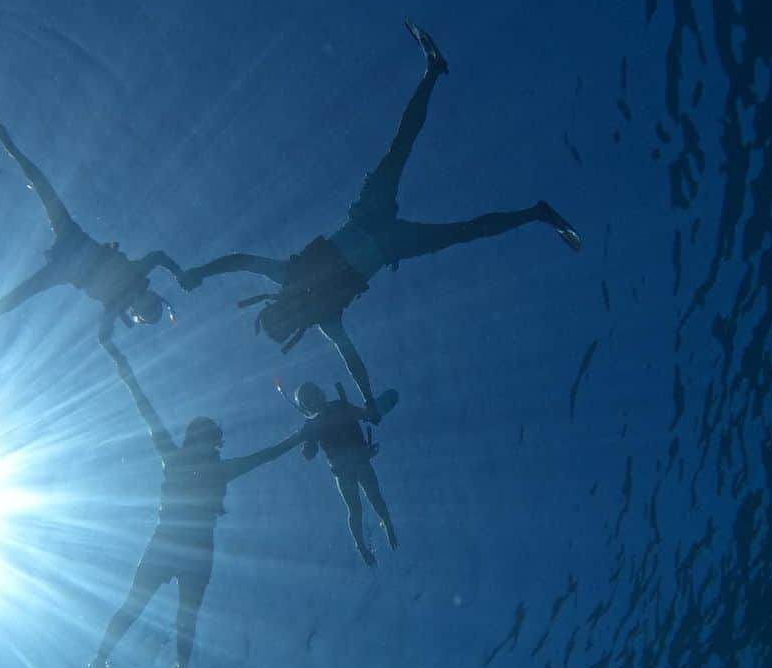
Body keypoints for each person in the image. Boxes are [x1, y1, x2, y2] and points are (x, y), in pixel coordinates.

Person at [180, 21, 583, 415]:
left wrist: (200, 270)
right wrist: (199, 272)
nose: (286, 318)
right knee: (427, 181)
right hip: (383, 234)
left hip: (375, 228)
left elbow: (240, 263)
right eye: (283, 324)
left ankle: (436, 77)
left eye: (278, 320)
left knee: (434, 190)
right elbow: (349, 359)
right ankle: (534, 210)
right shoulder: (312, 305)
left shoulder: (299, 291)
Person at [80, 338, 307, 668]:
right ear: (211, 441)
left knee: (147, 608)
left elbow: (146, 412)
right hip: (193, 545)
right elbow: (264, 455)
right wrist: (301, 434)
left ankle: (109, 662)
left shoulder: (177, 458)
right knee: (178, 616)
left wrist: (127, 373)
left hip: (170, 540)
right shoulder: (210, 466)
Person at [0, 124, 184, 340]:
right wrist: (178, 272)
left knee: (21, 293)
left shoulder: (118, 303)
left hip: (67, 261)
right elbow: (158, 256)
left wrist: (178, 272)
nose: (140, 304)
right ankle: (12, 149)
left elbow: (157, 256)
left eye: (143, 310)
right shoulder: (131, 281)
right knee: (46, 192)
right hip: (72, 248)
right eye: (148, 307)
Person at [290, 380, 399, 566]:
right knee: (359, 507)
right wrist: (308, 446)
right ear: (306, 406)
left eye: (312, 396)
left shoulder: (333, 410)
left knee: (371, 499)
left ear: (318, 394)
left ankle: (384, 525)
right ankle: (364, 543)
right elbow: (310, 452)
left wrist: (372, 413)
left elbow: (362, 414)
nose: (313, 401)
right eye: (308, 400)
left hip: (353, 463)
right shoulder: (315, 423)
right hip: (349, 466)